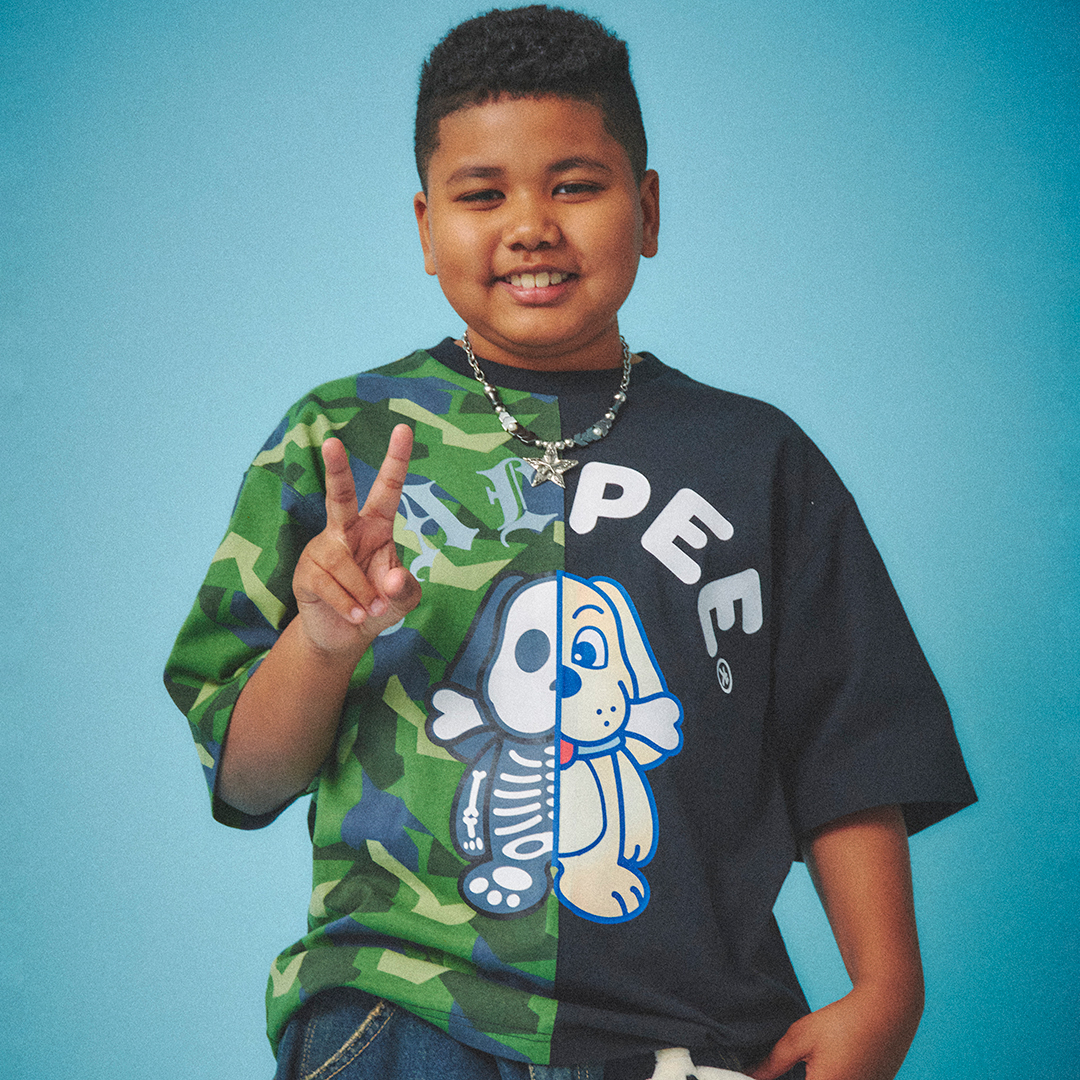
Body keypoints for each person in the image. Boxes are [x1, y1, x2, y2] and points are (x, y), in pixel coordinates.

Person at [164, 7, 976, 1080]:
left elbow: (849, 744)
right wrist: (321, 640)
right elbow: (248, 779)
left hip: (687, 1032)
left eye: (576, 185)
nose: (531, 227)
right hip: (400, 1016)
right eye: (482, 195)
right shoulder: (342, 442)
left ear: (648, 208)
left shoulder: (757, 460)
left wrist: (887, 990)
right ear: (425, 228)